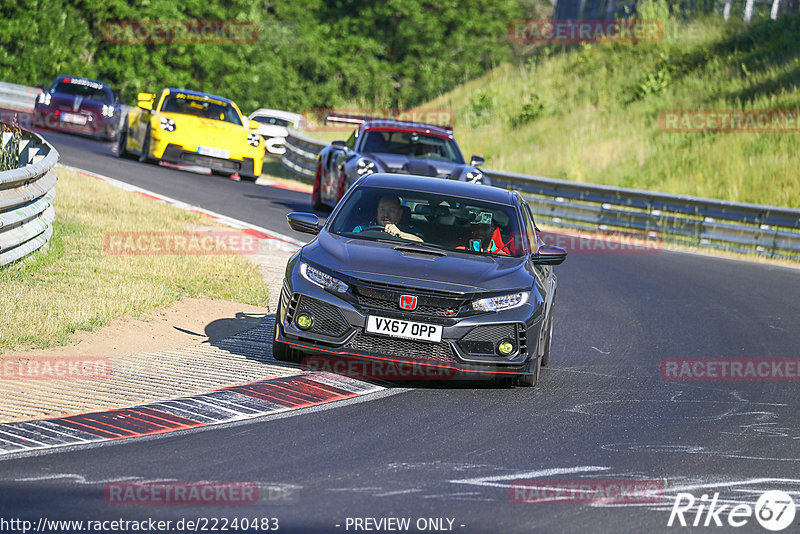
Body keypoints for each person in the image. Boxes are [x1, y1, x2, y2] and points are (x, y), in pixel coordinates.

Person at [353, 195, 423, 242]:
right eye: (382, 210)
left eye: (391, 211)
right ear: (377, 211)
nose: (386, 215)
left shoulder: (409, 230)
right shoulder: (363, 228)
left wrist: (400, 234)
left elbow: (421, 242)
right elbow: (350, 241)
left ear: (399, 214)